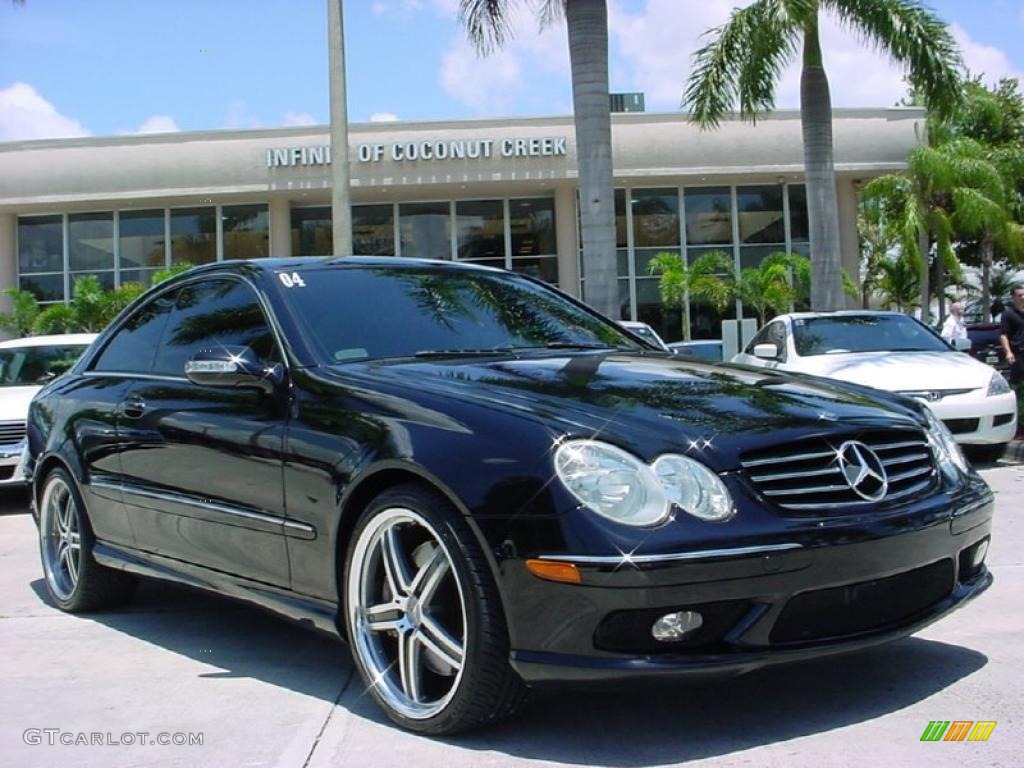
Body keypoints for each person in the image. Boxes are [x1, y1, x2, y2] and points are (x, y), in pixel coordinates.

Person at [1000, 285, 1024, 385]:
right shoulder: (1008, 314)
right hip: (1018, 352)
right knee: (1017, 381)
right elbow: (1003, 335)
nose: (1023, 297)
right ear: (1013, 297)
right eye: (1020, 295)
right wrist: (1008, 352)